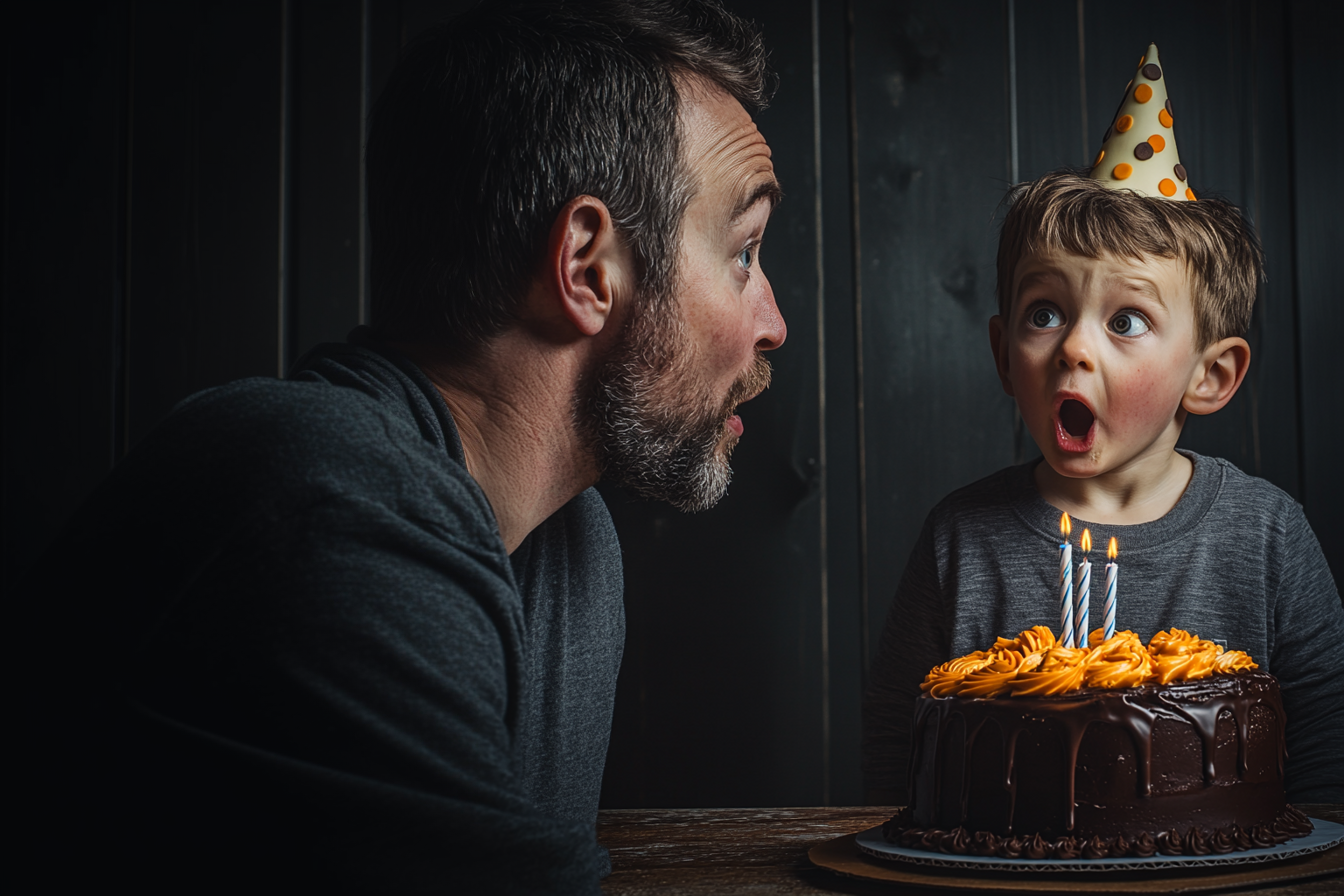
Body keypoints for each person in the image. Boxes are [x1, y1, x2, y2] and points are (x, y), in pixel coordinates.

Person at [21, 1, 785, 892]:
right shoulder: (321, 509)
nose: (770, 325)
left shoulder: (571, 548)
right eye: (744, 252)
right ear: (586, 268)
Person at [862, 47, 1344, 808]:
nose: (1074, 347)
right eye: (1044, 312)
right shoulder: (962, 539)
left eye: (1126, 320)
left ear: (1209, 375)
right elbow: (896, 752)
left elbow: (1328, 762)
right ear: (1002, 352)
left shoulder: (1269, 539)